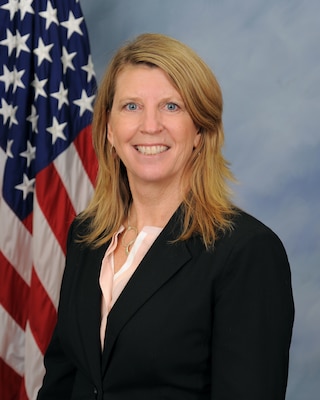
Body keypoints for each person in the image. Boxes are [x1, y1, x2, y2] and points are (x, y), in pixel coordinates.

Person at [37, 33, 294, 400]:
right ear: (109, 129)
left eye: (171, 107)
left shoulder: (246, 252)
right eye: (131, 106)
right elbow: (64, 379)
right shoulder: (86, 235)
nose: (150, 126)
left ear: (200, 132)